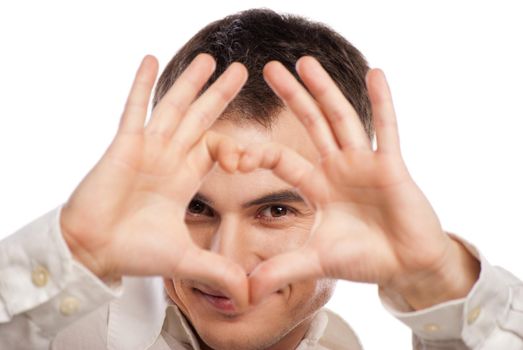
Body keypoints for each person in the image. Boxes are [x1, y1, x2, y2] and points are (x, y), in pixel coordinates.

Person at [0, 8, 522, 350]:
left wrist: (437, 280)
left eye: (275, 210)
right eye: (196, 208)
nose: (227, 259)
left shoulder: (338, 343)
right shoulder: (58, 333)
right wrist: (77, 250)